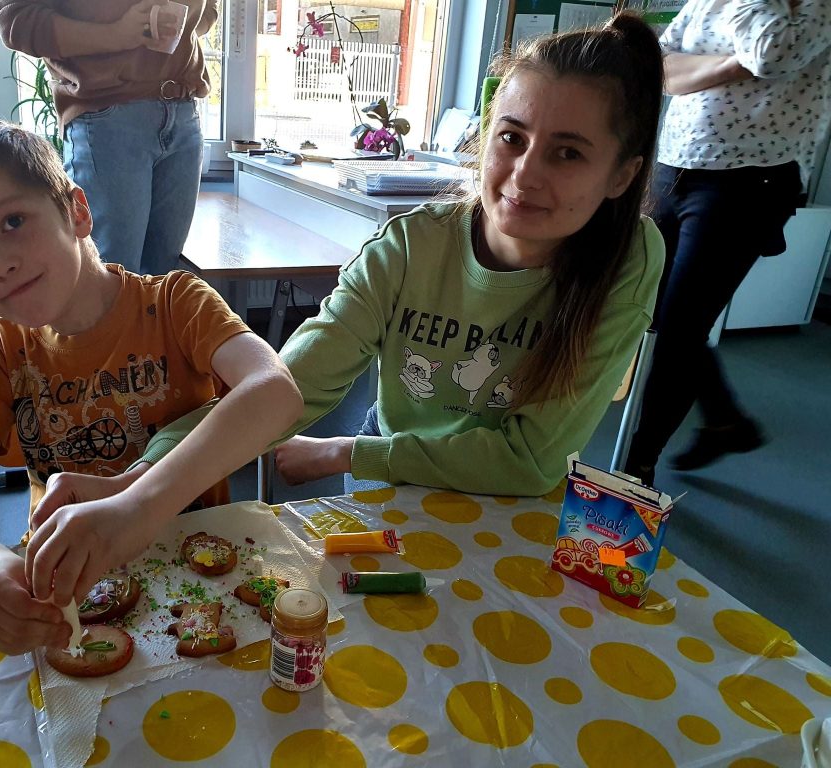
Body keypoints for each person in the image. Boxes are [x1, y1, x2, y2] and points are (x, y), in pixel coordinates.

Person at [0, 120, 302, 655]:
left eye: (13, 222)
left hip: (200, 578)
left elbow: (276, 391)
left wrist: (136, 508)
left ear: (77, 212)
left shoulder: (176, 304)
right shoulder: (1, 348)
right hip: (68, 593)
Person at [270, 12, 667, 496]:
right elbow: (286, 386)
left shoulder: (628, 256)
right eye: (512, 138)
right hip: (394, 466)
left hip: (504, 494)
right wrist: (180, 452)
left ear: (621, 176)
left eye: (568, 153)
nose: (524, 175)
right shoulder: (409, 246)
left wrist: (348, 452)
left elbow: (529, 463)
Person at [624, 0, 831, 486]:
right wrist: (732, 65)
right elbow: (664, 70)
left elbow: (771, 54)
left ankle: (636, 470)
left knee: (681, 329)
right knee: (648, 308)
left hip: (750, 182)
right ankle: (725, 420)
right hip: (675, 167)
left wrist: (736, 35)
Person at [0, 0, 218, 275]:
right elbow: (15, 21)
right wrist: (116, 34)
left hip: (184, 112)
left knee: (163, 277)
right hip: (108, 117)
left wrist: (181, 27)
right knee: (110, 275)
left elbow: (209, 8)